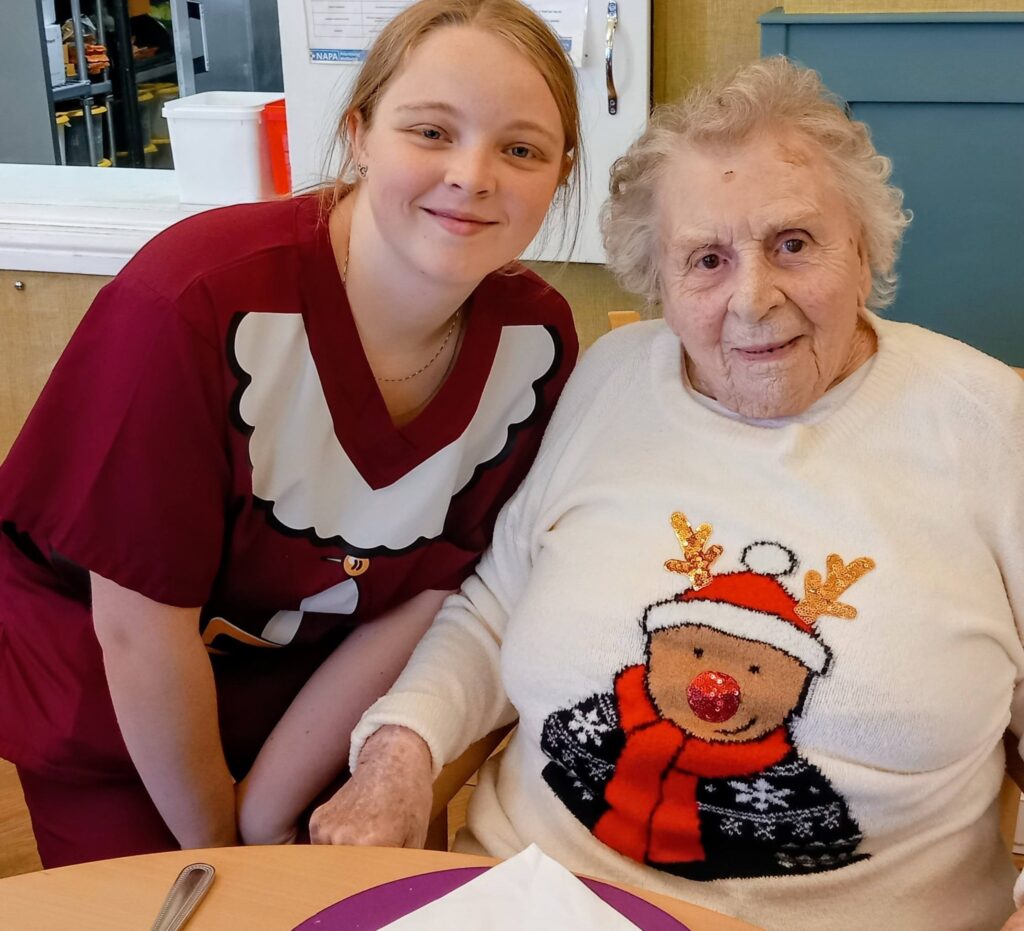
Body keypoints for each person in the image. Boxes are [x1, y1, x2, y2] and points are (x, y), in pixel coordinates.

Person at [309, 57, 1024, 930]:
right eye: (707, 260)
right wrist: (397, 753)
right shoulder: (609, 378)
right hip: (539, 904)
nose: (753, 299)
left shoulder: (990, 424)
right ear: (657, 282)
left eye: (794, 244)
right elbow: (494, 609)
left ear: (865, 249)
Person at [0, 0, 582, 867]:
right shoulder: (193, 298)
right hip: (117, 699)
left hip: (323, 703)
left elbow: (432, 594)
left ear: (561, 175)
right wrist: (225, 847)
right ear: (359, 134)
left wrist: (272, 806)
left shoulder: (536, 344)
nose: (472, 175)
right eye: (430, 131)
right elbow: (139, 625)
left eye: (522, 150)